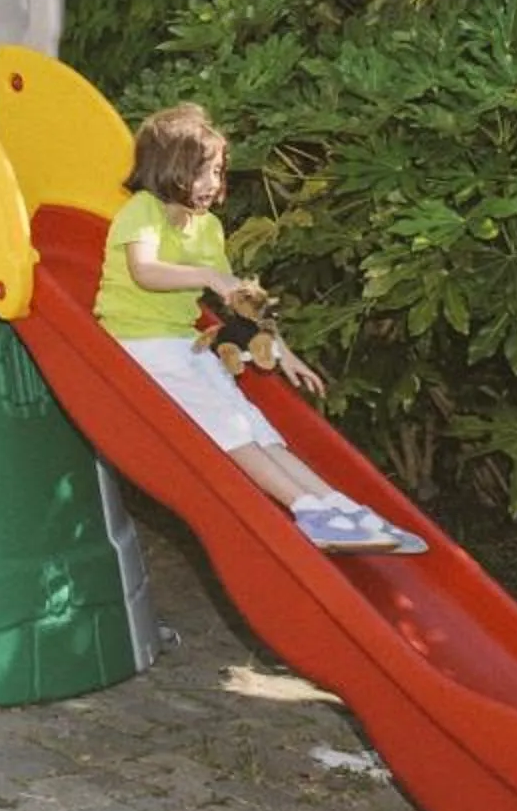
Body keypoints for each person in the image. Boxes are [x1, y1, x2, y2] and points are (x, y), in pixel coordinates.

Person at [97, 104, 425, 556]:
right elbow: (144, 270)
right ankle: (310, 512)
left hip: (180, 344)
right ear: (169, 169)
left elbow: (240, 303)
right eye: (203, 172)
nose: (214, 182)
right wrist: (208, 278)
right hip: (136, 344)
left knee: (254, 425)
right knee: (227, 428)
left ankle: (338, 507)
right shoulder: (144, 211)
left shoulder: (207, 228)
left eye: (217, 170)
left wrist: (282, 349)